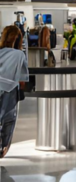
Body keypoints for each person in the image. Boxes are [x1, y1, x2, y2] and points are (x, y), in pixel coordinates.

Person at [0, 26, 29, 159]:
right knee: (9, 120)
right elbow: (23, 81)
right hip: (9, 90)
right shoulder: (19, 55)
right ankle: (2, 147)